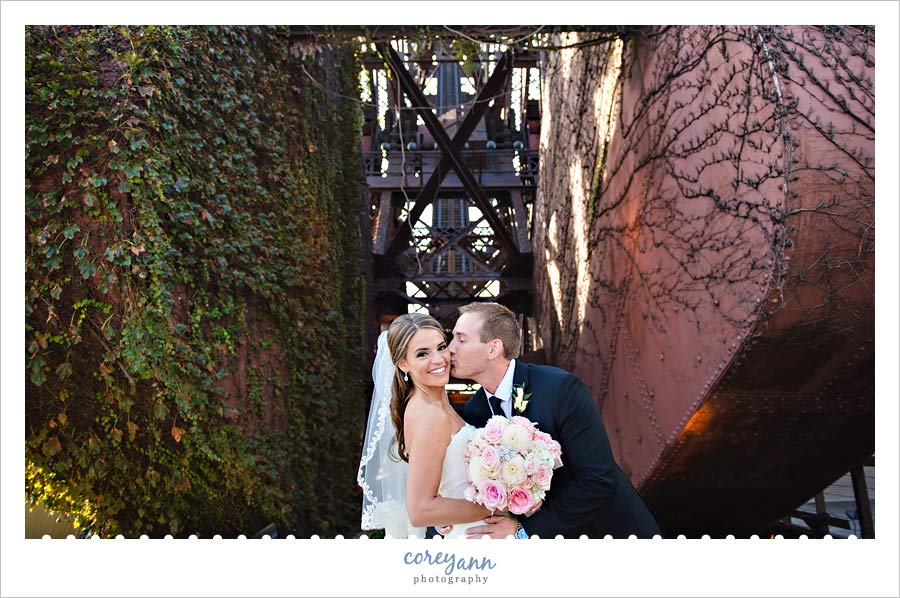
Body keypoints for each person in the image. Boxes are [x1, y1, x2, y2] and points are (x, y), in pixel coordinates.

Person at [447, 302, 662, 539]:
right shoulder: (473, 411)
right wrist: (448, 520)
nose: (450, 349)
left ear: (493, 349)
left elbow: (597, 480)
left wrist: (525, 532)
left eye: (461, 339)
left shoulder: (560, 389)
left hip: (610, 533)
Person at [357, 313, 491, 538]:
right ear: (403, 364)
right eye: (422, 354)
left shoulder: (433, 401)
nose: (438, 360)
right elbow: (420, 510)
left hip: (468, 529)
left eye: (441, 347)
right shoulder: (430, 415)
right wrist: (498, 505)